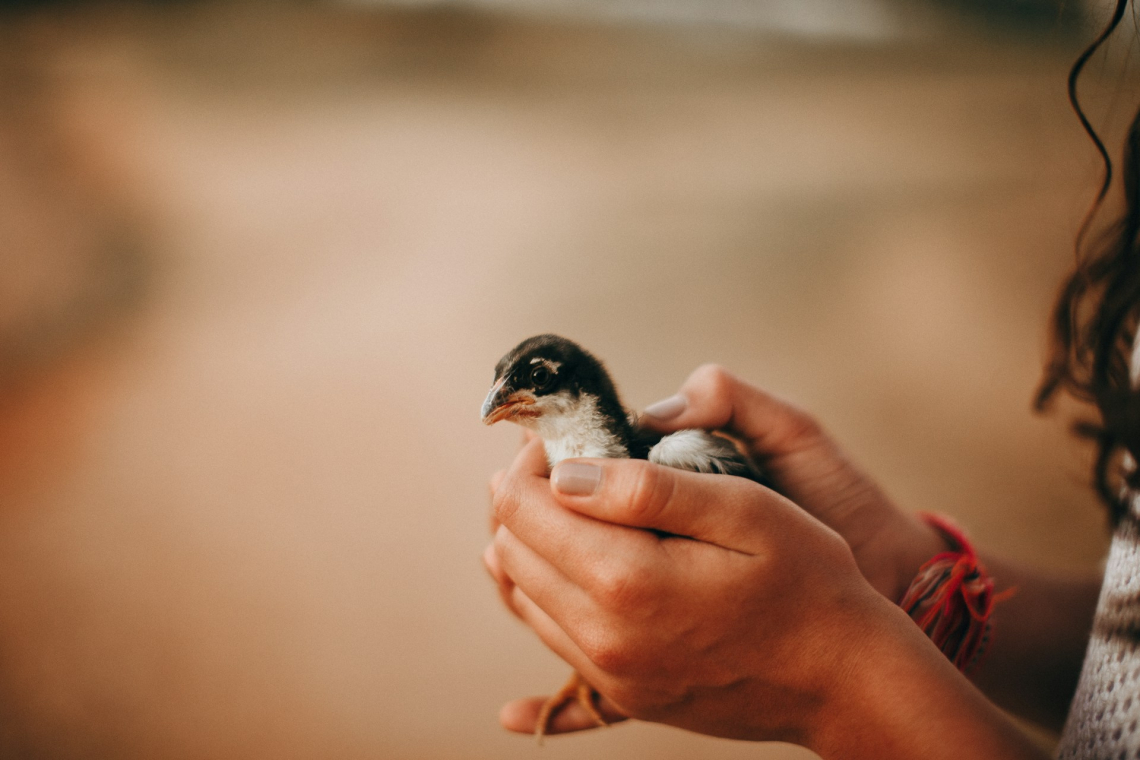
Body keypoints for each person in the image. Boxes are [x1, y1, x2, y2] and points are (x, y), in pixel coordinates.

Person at [482, 3, 1140, 757]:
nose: (503, 403)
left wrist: (834, 681)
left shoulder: (681, 458)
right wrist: (898, 574)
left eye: (531, 383)